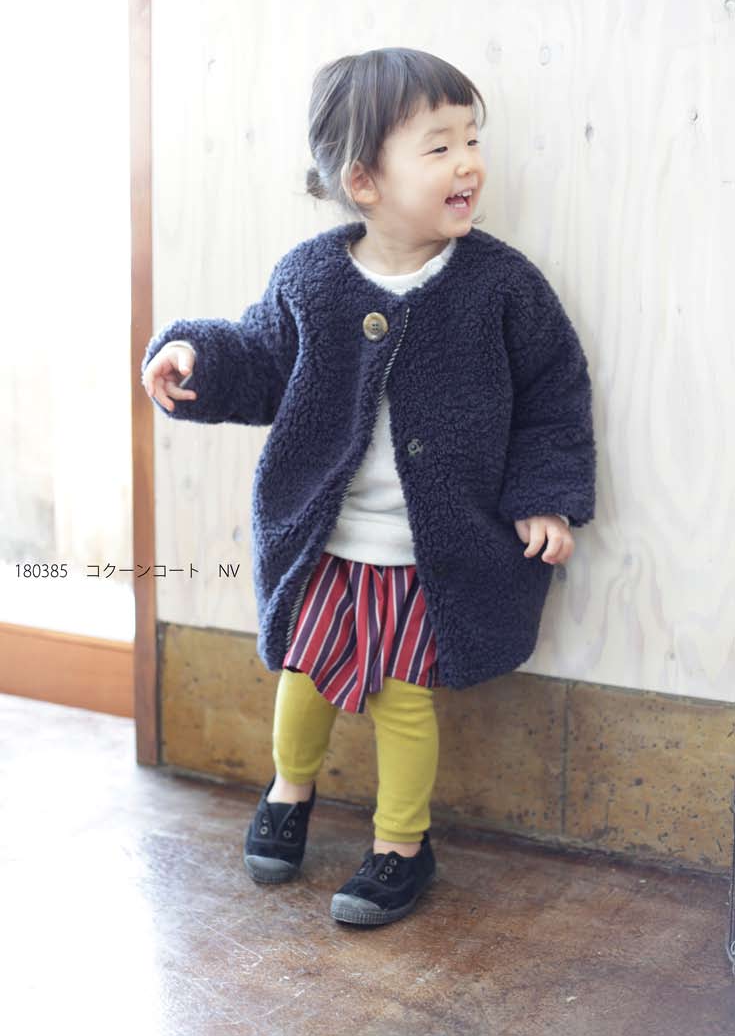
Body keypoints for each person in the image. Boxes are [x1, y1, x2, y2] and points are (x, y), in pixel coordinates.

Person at [141, 47, 596, 928]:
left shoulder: (501, 286)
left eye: (472, 139)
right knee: (303, 673)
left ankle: (400, 844)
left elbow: (553, 392)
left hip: (427, 553)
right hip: (327, 542)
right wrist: (194, 355)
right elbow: (260, 356)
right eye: (439, 147)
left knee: (401, 698)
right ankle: (289, 791)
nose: (468, 163)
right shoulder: (311, 277)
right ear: (363, 181)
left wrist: (545, 494)